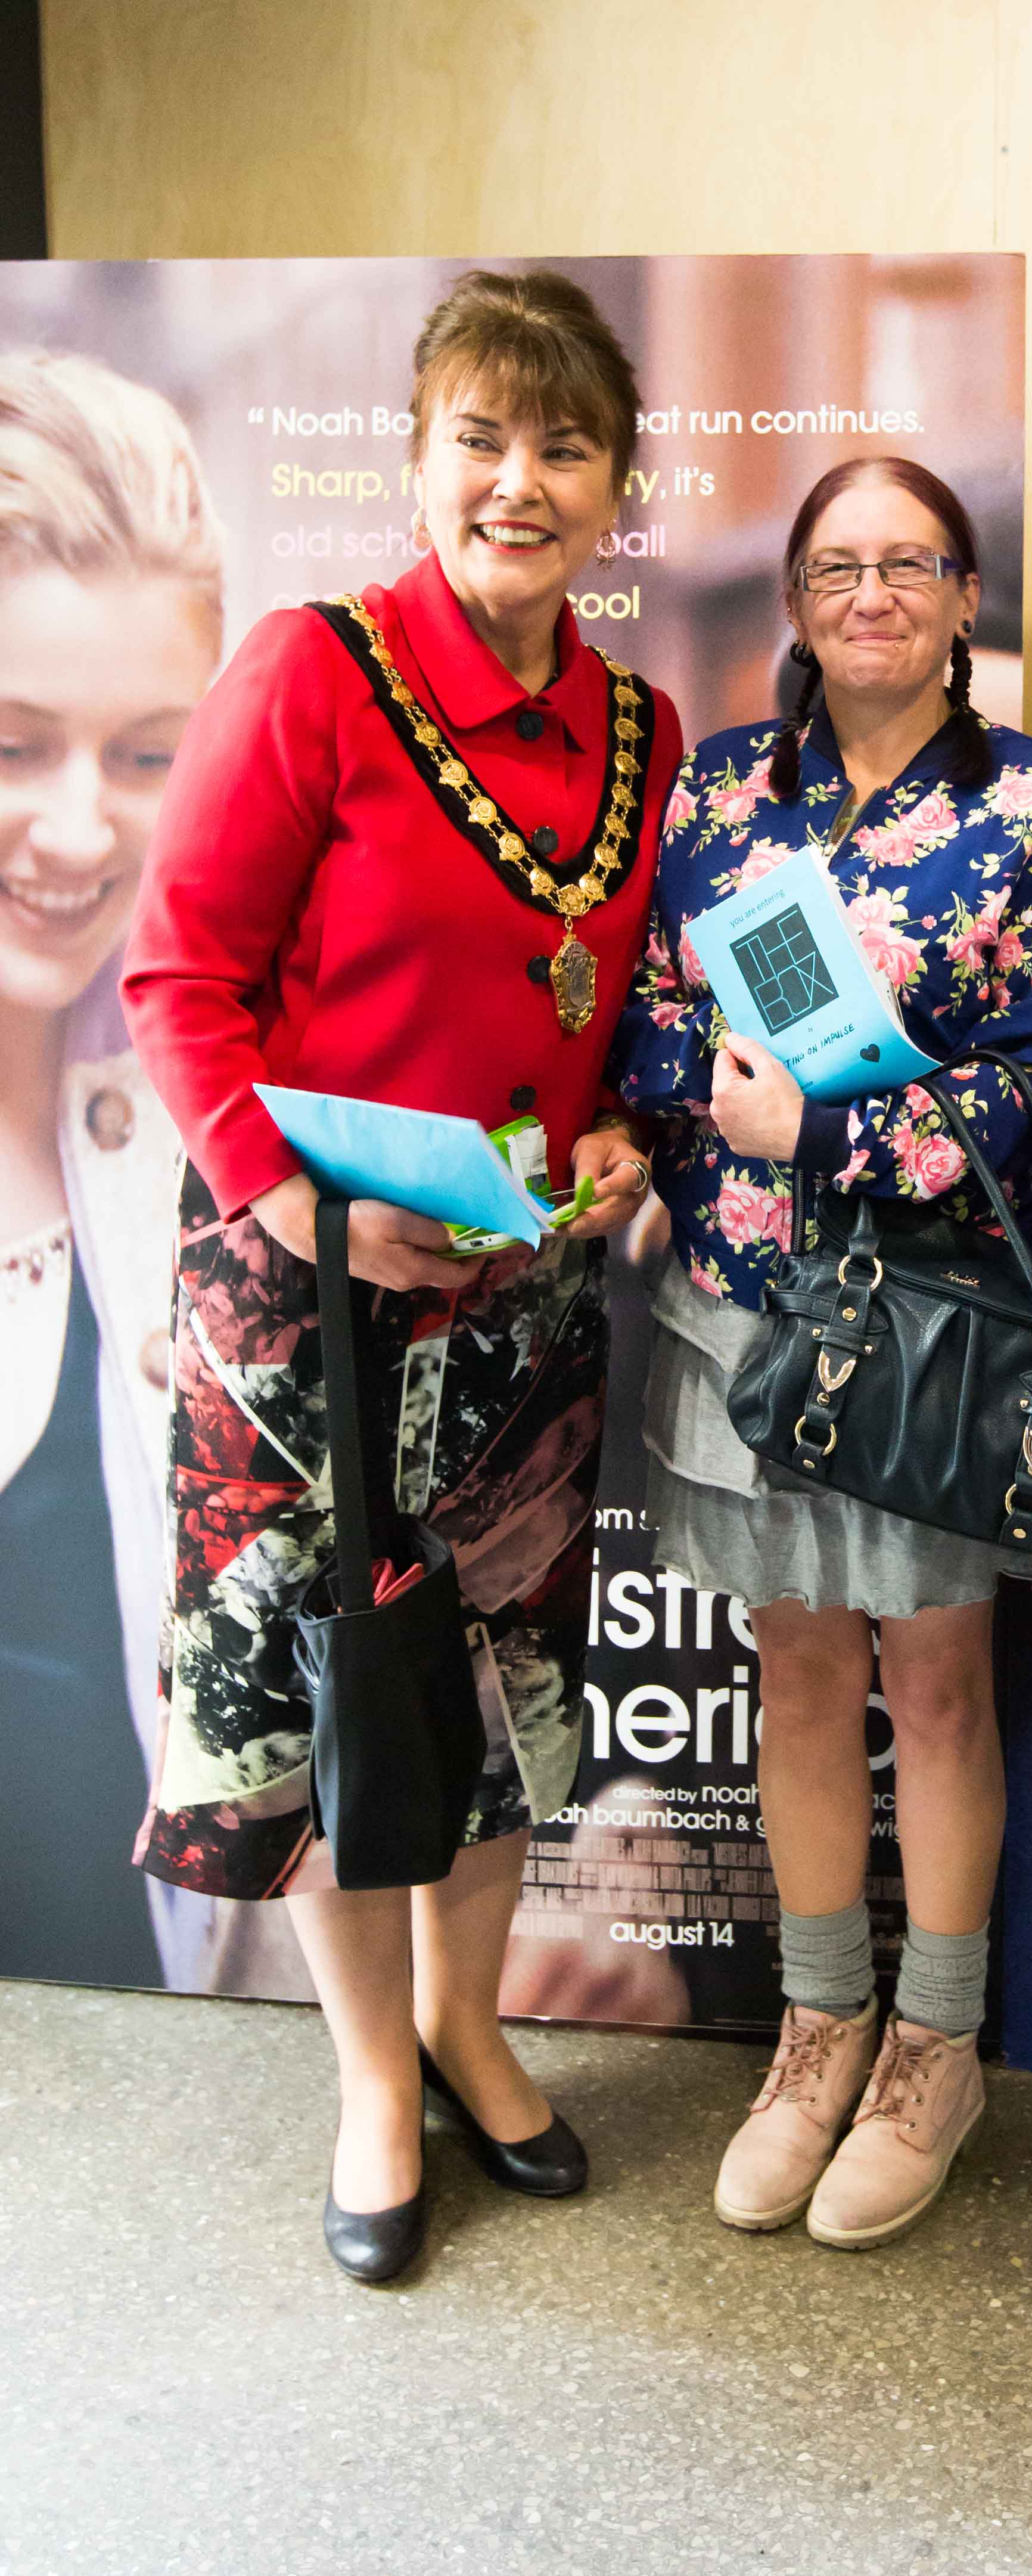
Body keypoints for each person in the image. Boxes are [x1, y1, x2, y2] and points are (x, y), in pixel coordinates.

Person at [121, 268, 684, 2284]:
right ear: (421, 453)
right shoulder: (311, 671)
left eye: (563, 445)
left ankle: (472, 2015)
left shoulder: (638, 724)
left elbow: (602, 1022)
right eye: (480, 436)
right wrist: (299, 1203)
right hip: (302, 1307)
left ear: (618, 487)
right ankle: (373, 2073)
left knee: (506, 1687)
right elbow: (175, 979)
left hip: (518, 1297)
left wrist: (621, 1130)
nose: (517, 481)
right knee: (332, 1684)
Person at [610, 455, 1032, 2249]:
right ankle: (818, 2032)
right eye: (838, 565)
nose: (873, 592)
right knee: (798, 1670)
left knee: (942, 1682)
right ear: (796, 604)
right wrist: (708, 1112)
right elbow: (655, 1019)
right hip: (747, 1305)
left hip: (941, 1319)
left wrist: (819, 1130)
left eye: (910, 562)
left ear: (967, 596)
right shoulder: (726, 795)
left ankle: (939, 2048)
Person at [0, 352, 226, 1996]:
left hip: (151, 2100)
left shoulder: (205, 1118)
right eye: (12, 744)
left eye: (147, 755)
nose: (78, 833)